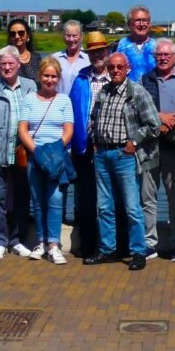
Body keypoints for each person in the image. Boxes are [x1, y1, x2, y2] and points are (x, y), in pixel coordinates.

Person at [82, 52, 161, 271]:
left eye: (119, 67)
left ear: (127, 68)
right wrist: (95, 140)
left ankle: (138, 251)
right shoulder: (104, 92)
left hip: (124, 156)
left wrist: (133, 142)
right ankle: (107, 249)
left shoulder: (137, 92)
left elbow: (154, 125)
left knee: (132, 207)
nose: (115, 71)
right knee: (104, 206)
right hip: (102, 155)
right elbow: (93, 118)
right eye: (112, 67)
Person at [0, 46, 38, 260]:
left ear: (18, 65)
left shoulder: (30, 87)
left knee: (22, 198)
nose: (6, 67)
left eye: (11, 64)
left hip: (23, 153)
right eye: (3, 64)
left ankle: (17, 240)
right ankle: (0, 240)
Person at [140, 38, 175, 260]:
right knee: (148, 195)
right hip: (150, 146)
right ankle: (149, 243)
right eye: (158, 55)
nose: (162, 58)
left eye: (166, 55)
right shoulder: (145, 80)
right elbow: (140, 108)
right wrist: (159, 119)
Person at [18, 57, 74, 264]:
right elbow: (23, 129)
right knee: (38, 201)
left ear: (58, 78)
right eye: (46, 76)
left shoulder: (64, 100)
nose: (49, 80)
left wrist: (55, 151)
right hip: (35, 157)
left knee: (56, 200)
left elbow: (68, 130)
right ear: (40, 77)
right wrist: (36, 152)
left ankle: (54, 244)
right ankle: (41, 242)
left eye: (53, 76)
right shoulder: (29, 99)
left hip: (57, 159)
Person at [68, 31, 111, 257]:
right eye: (93, 52)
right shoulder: (81, 78)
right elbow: (73, 110)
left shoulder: (116, 77)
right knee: (86, 199)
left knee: (109, 200)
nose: (97, 56)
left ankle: (111, 245)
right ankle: (87, 245)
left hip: (109, 148)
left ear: (108, 52)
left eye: (101, 51)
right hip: (84, 148)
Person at [114, 5, 156, 82]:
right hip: (126, 91)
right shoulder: (120, 45)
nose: (141, 24)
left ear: (149, 23)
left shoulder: (157, 46)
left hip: (151, 91)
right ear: (130, 24)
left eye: (145, 20)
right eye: (137, 20)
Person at [53, 19, 90, 95]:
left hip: (80, 105)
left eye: (74, 36)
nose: (71, 39)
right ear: (63, 36)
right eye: (68, 35)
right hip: (59, 104)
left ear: (81, 36)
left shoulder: (89, 59)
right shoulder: (54, 59)